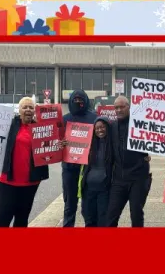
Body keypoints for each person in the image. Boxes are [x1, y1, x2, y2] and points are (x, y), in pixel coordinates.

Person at [0, 97, 49, 227]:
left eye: (31, 107)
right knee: (2, 219)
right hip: (7, 181)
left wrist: (59, 144)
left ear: (35, 110)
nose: (28, 110)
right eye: (25, 107)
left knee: (22, 220)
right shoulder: (8, 124)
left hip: (30, 182)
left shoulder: (41, 128)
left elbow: (50, 147)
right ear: (19, 110)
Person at [106, 95, 155, 227]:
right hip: (119, 179)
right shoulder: (111, 126)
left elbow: (157, 137)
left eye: (122, 107)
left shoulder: (140, 124)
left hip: (138, 178)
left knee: (136, 215)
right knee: (111, 216)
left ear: (129, 107)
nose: (119, 110)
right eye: (116, 107)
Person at [59, 90, 97, 227]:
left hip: (88, 169)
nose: (78, 102)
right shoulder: (64, 119)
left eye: (81, 100)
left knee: (88, 206)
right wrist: (60, 144)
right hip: (69, 169)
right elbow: (55, 143)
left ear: (86, 101)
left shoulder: (95, 118)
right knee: (69, 205)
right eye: (75, 100)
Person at [77, 116, 114, 227]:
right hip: (88, 189)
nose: (100, 130)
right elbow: (72, 152)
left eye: (102, 127)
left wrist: (144, 157)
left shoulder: (114, 145)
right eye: (97, 128)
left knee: (103, 220)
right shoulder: (88, 145)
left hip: (105, 189)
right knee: (89, 219)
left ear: (107, 127)